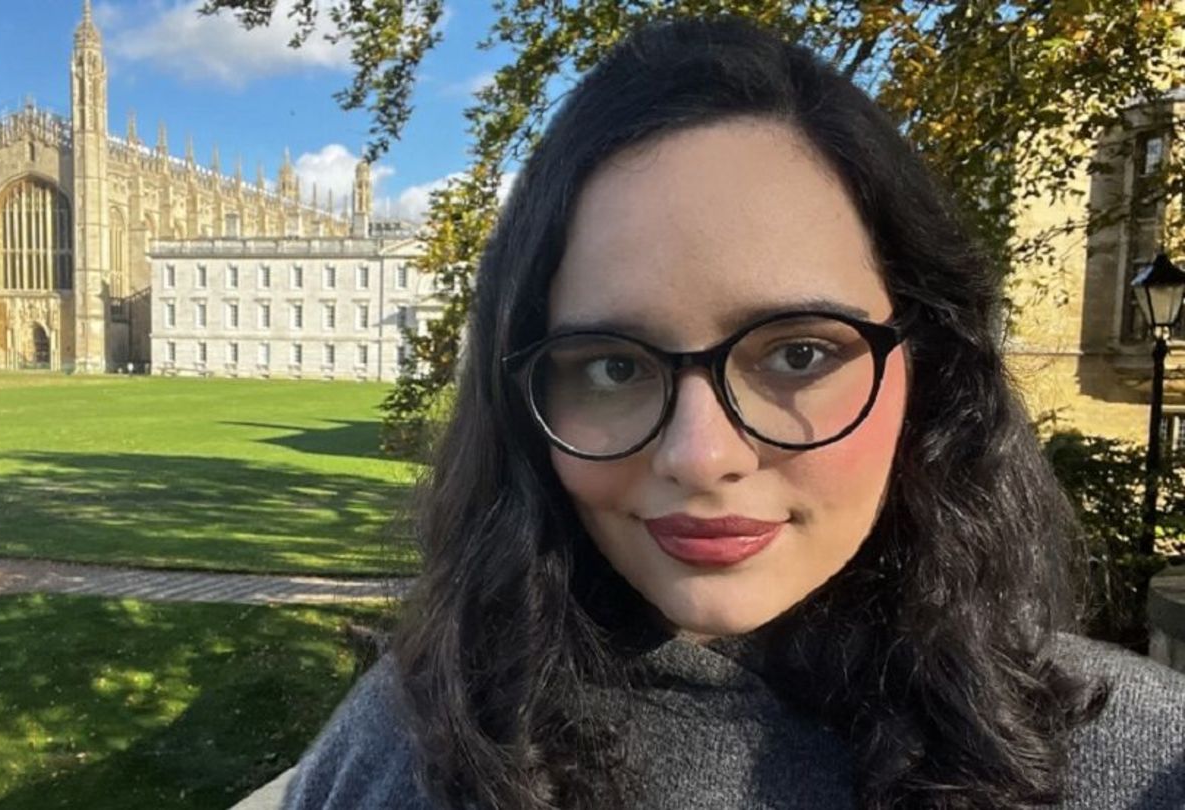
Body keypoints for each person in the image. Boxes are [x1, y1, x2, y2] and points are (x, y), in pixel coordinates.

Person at [283, 16, 1185, 810]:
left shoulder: (1145, 762)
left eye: (798, 354)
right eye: (611, 365)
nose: (701, 455)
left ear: (933, 369)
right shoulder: (408, 753)